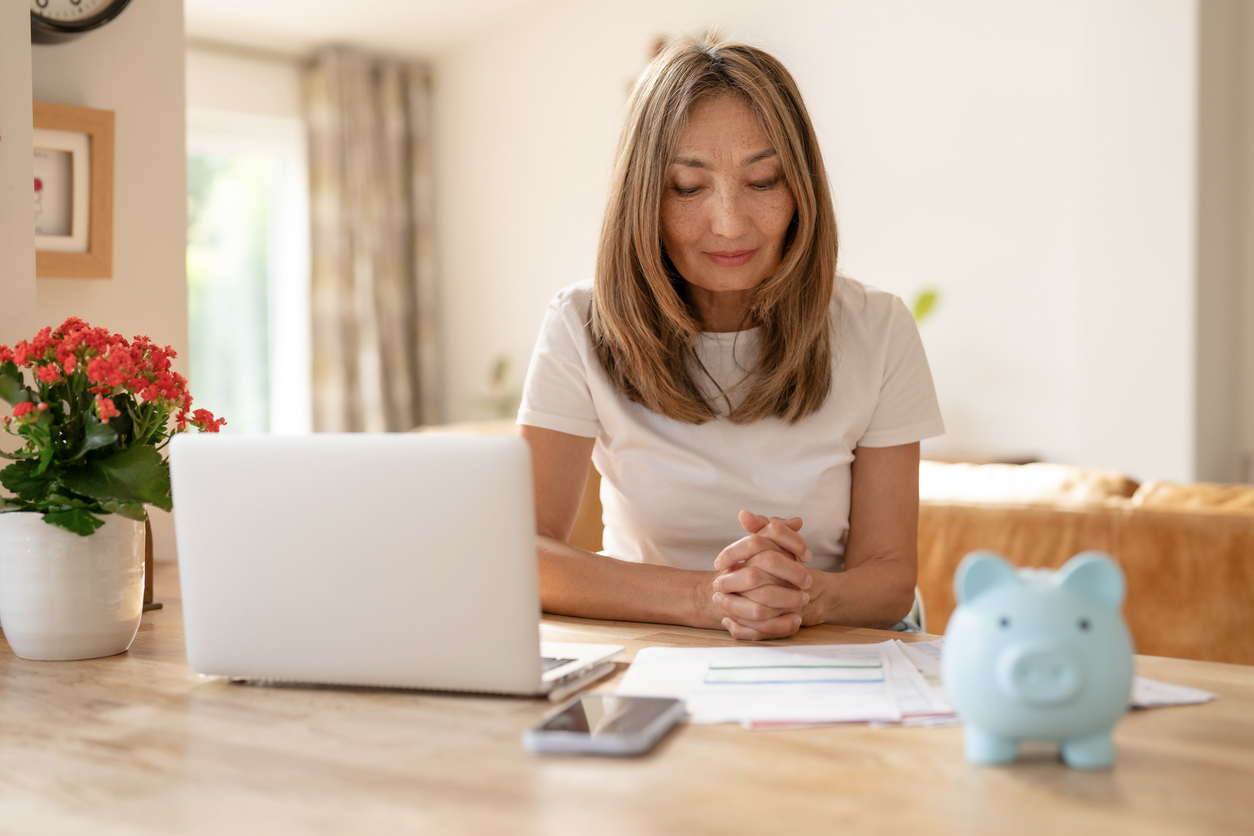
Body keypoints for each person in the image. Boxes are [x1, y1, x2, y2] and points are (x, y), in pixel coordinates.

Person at [517, 36, 944, 641]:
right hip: (652, 646)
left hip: (826, 652)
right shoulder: (581, 324)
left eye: (764, 180)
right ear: (644, 199)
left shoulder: (878, 328)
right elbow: (521, 553)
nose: (729, 223)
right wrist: (707, 597)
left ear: (801, 189)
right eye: (689, 187)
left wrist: (802, 595)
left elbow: (890, 577)